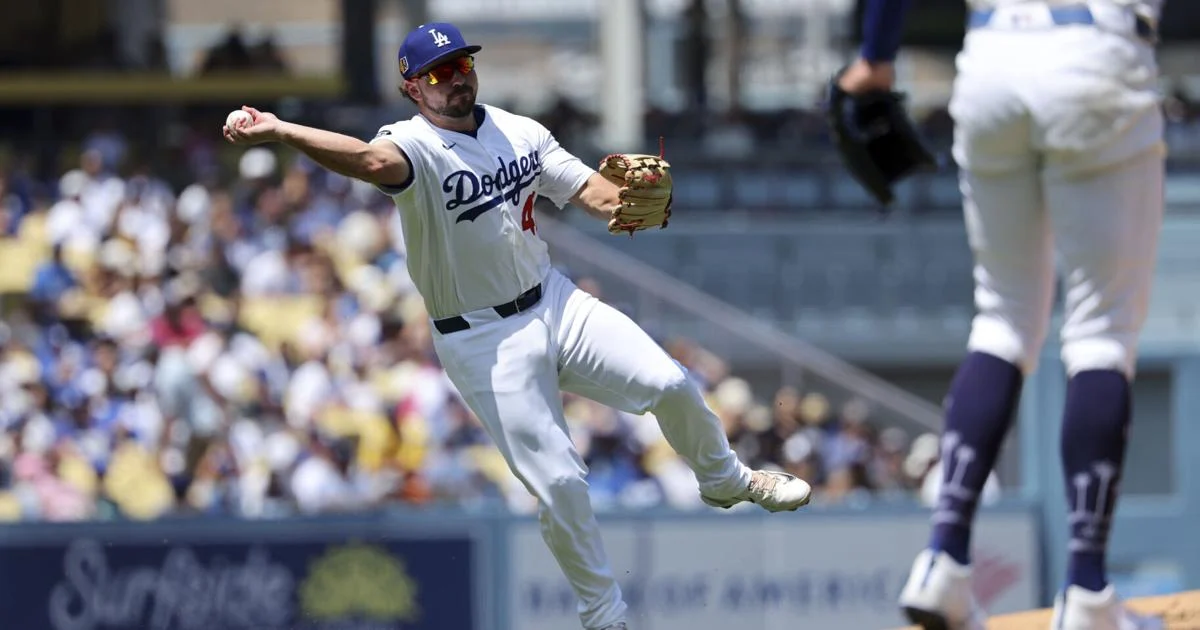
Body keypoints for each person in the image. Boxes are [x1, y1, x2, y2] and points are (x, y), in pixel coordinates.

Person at [223, 21, 812, 630]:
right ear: (412, 90)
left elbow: (591, 191)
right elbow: (371, 161)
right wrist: (281, 129)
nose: (455, 79)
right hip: (479, 336)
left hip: (553, 300)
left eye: (462, 65)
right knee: (559, 480)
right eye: (438, 74)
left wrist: (630, 199)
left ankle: (726, 481)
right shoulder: (412, 144)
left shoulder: (519, 131)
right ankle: (604, 615)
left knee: (668, 380)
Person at [835, 1, 1167, 629]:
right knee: (1101, 333)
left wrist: (877, 55)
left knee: (1002, 320)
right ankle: (1089, 591)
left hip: (992, 59)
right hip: (1099, 54)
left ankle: (943, 563)